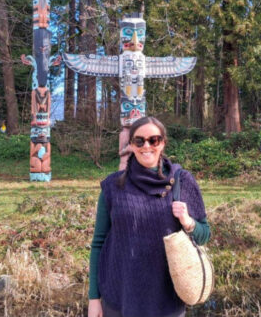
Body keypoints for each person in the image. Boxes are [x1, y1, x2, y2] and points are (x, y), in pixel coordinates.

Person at [87, 116, 211, 317]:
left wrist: (188, 222)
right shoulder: (112, 186)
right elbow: (98, 244)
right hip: (119, 298)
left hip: (166, 301)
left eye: (153, 140)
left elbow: (204, 234)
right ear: (131, 145)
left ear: (162, 143)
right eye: (139, 141)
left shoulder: (182, 181)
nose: (147, 146)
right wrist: (94, 298)